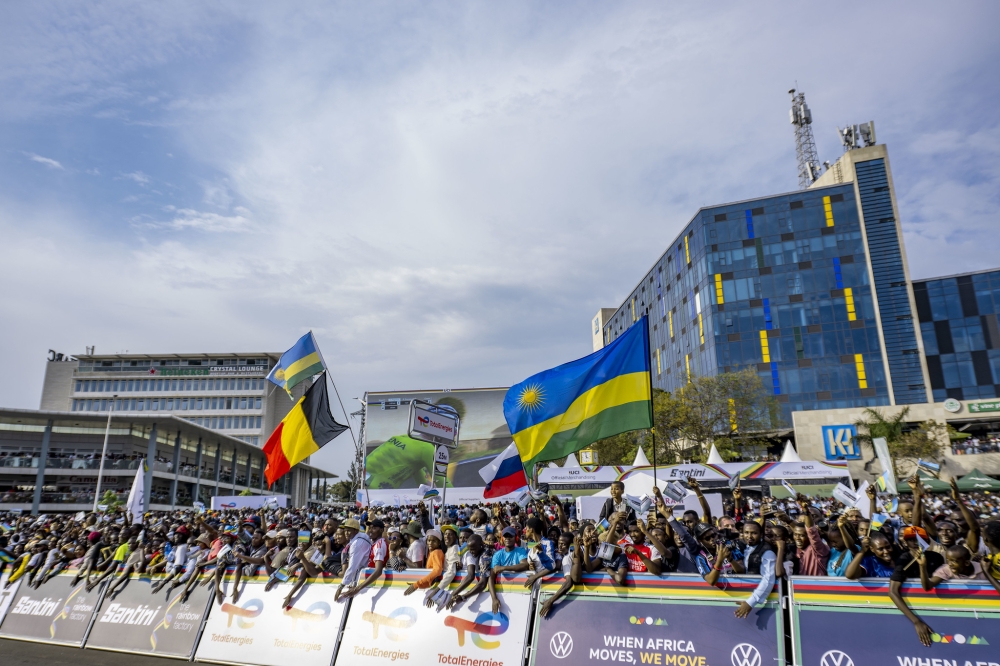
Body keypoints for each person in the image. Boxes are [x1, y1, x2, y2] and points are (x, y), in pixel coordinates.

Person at [733, 521, 775, 619]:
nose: (749, 536)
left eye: (754, 533)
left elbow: (768, 580)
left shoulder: (767, 552)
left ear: (761, 535)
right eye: (746, 532)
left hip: (760, 602)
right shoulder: (743, 547)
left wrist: (750, 602)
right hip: (746, 596)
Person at [339, 519, 386, 599]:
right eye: (370, 528)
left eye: (374, 528)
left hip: (373, 584)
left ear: (381, 530)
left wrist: (357, 588)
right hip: (368, 582)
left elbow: (378, 571)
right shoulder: (373, 542)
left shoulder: (379, 545)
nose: (370, 530)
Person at [489, 527, 528, 613]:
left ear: (516, 537)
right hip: (501, 593)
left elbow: (524, 565)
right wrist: (494, 599)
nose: (507, 538)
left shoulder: (520, 551)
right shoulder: (497, 554)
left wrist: (504, 568)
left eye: (510, 536)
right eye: (505, 536)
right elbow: (491, 577)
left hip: (520, 592)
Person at [335, 518, 372, 601]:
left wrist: (341, 586)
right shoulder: (359, 538)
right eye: (345, 531)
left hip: (361, 579)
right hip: (359, 576)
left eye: (349, 530)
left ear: (355, 531)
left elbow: (352, 567)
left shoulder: (357, 543)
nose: (346, 533)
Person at [404, 529, 444, 596]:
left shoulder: (436, 552)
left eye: (434, 541)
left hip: (434, 587)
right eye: (429, 540)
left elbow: (437, 571)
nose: (430, 543)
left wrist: (417, 584)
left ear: (439, 543)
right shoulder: (431, 552)